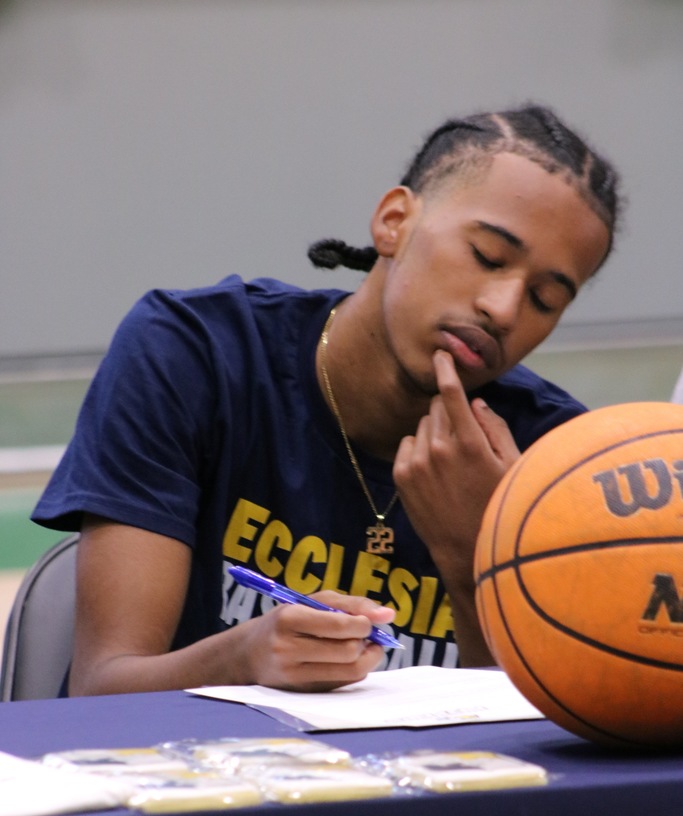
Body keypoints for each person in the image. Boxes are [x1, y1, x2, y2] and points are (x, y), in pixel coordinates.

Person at [33, 104, 621, 697]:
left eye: (545, 299)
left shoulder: (553, 460)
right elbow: (99, 692)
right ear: (394, 222)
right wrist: (245, 654)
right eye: (487, 257)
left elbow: (537, 744)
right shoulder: (192, 354)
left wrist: (478, 560)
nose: (504, 308)